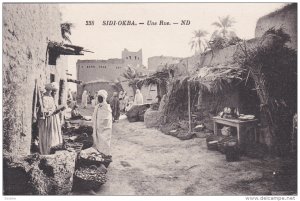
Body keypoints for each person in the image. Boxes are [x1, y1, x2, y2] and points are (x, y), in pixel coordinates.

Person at [38, 82, 66, 155]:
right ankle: (46, 151)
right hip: (48, 121)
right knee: (48, 136)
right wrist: (57, 110)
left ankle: (53, 149)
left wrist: (60, 109)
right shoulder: (44, 98)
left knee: (54, 135)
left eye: (56, 91)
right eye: (54, 91)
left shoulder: (51, 98)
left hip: (54, 120)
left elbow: (54, 108)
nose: (55, 93)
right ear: (49, 90)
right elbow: (46, 112)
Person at [92, 90, 113, 156]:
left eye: (101, 98)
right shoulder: (97, 107)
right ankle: (100, 151)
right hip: (98, 128)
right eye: (98, 98)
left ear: (104, 98)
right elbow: (94, 116)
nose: (99, 99)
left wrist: (102, 124)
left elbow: (108, 119)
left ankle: (106, 154)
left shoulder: (107, 107)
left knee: (105, 142)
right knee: (99, 142)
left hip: (105, 130)